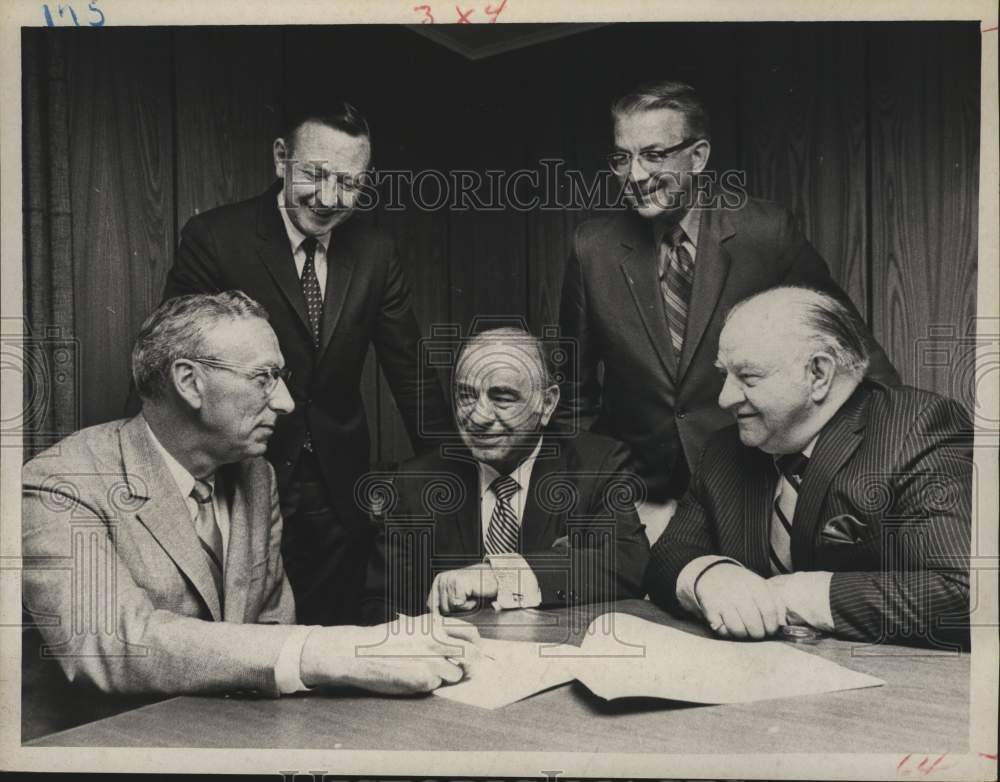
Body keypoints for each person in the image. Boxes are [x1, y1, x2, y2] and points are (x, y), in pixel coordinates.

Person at [23, 293, 479, 696]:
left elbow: (272, 624)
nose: (284, 402)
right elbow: (112, 643)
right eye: (263, 377)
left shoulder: (255, 475)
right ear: (189, 382)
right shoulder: (60, 484)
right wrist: (326, 649)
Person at [557, 80, 899, 542]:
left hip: (748, 482)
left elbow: (852, 347)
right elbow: (573, 393)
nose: (634, 175)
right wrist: (592, 488)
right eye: (622, 157)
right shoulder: (591, 248)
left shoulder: (765, 231)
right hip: (637, 496)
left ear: (697, 157)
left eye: (654, 155)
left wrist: (896, 441)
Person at [155, 101, 452, 626]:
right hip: (241, 473)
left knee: (334, 638)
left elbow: (411, 371)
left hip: (338, 486)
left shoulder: (376, 252)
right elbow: (171, 362)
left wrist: (460, 475)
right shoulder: (215, 239)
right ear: (280, 159)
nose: (331, 198)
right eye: (316, 175)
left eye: (350, 184)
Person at [645, 287, 971, 647]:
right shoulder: (725, 451)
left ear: (818, 374)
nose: (724, 398)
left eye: (748, 378)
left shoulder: (916, 429)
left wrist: (790, 596)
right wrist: (709, 577)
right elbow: (667, 557)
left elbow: (965, 593)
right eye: (725, 375)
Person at [362, 328, 650, 621]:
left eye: (502, 398)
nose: (479, 416)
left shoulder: (597, 465)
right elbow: (381, 605)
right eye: (466, 395)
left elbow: (627, 563)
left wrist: (501, 576)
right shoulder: (415, 484)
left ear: (547, 404)